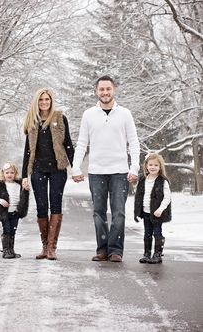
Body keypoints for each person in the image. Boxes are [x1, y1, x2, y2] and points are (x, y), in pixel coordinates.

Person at [72, 75, 140, 262]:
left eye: (108, 89)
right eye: (101, 89)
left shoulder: (125, 114)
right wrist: (76, 167)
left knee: (118, 212)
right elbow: (82, 143)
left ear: (114, 90)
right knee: (98, 213)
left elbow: (133, 142)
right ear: (96, 91)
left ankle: (116, 250)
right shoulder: (88, 114)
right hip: (96, 171)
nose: (105, 92)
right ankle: (102, 249)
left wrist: (134, 167)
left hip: (120, 171)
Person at [22, 88, 74, 260]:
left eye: (47, 99)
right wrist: (24, 175)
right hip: (38, 170)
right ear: (37, 102)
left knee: (56, 204)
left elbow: (68, 144)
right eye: (41, 100)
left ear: (51, 101)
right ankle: (44, 246)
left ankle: (52, 248)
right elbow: (27, 151)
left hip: (58, 169)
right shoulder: (32, 121)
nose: (44, 102)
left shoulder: (60, 118)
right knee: (42, 206)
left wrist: (75, 168)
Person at [134, 153, 172, 264]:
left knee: (157, 233)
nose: (153, 167)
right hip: (146, 212)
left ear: (160, 167)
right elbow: (139, 196)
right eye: (150, 165)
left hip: (157, 213)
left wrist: (160, 209)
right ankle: (146, 254)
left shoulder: (162, 181)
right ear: (146, 166)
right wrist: (138, 211)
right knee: (147, 233)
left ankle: (157, 254)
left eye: (156, 165)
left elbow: (167, 197)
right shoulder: (143, 180)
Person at [0, 162, 29, 259]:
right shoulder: (1, 185)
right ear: (3, 174)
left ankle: (11, 250)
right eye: (7, 172)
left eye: (12, 172)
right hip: (4, 213)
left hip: (15, 213)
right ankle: (6, 250)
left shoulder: (18, 185)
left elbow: (23, 197)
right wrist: (0, 201)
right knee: (7, 230)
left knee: (13, 231)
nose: (9, 175)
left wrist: (26, 190)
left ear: (15, 174)